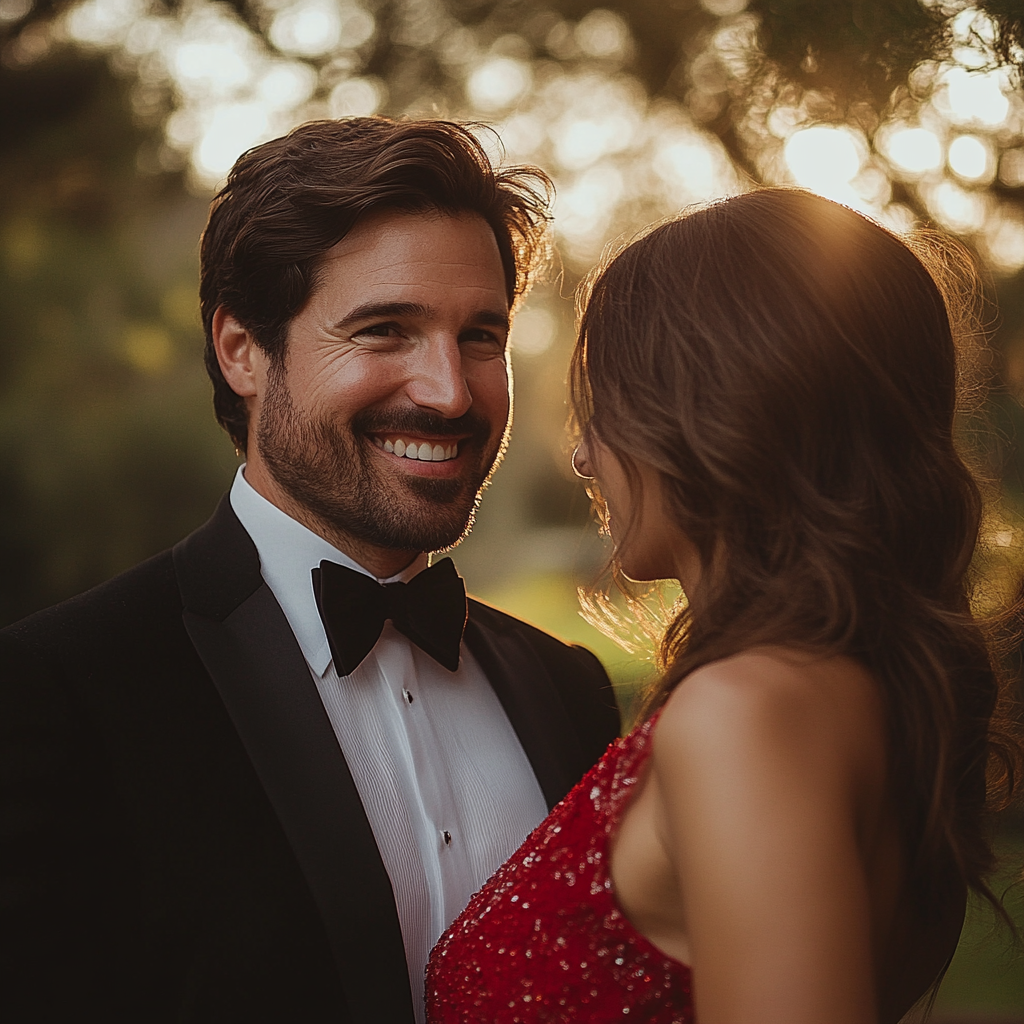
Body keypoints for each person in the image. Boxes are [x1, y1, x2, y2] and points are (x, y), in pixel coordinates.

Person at [0, 118, 619, 1023]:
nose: (448, 390)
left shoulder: (570, 690)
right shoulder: (59, 690)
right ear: (242, 350)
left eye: (481, 337)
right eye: (384, 330)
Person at [426, 188, 1021, 1024]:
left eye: (607, 403)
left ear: (709, 409)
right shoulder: (867, 697)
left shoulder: (746, 713)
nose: (584, 454)